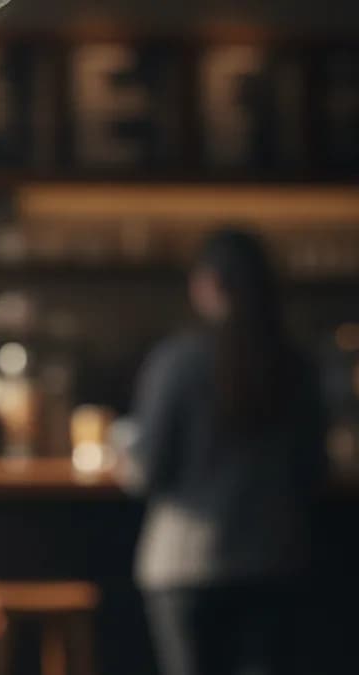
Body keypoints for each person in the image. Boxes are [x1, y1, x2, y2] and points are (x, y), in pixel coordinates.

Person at [123, 229, 328, 675]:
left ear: (208, 283)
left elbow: (146, 469)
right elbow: (314, 471)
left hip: (188, 564)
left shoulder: (178, 362)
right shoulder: (297, 365)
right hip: (276, 557)